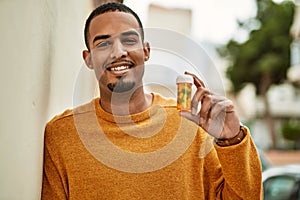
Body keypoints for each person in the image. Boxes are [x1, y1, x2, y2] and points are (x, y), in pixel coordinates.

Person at [41, 2, 263, 199]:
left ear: (146, 51)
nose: (118, 52)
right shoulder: (62, 135)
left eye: (128, 40)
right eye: (103, 44)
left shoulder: (191, 124)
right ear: (88, 59)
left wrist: (232, 140)